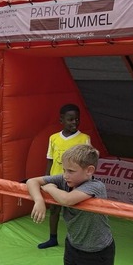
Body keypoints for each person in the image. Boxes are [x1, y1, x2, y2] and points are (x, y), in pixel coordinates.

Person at [27, 144, 115, 265]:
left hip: (96, 250)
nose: (65, 175)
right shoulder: (65, 180)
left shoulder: (96, 186)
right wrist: (39, 200)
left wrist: (49, 188)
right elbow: (32, 181)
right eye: (64, 170)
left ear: (89, 171)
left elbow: (66, 200)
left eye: (71, 171)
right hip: (74, 244)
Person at [38, 103, 91, 249]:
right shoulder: (53, 138)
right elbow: (50, 159)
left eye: (77, 119)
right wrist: (46, 179)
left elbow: (88, 163)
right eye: (70, 119)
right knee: (54, 210)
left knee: (75, 212)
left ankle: (77, 241)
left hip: (76, 182)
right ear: (61, 120)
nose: (75, 122)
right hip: (56, 180)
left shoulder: (84, 139)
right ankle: (52, 238)